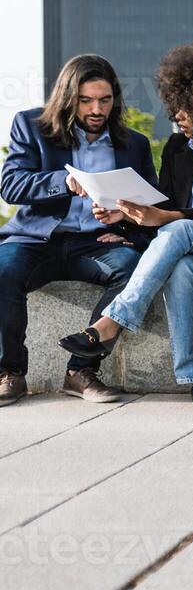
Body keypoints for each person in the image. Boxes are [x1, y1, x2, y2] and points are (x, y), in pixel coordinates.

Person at [56, 45, 193, 408]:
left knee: (179, 229)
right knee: (180, 269)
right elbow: (163, 204)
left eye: (185, 106)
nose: (175, 115)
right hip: (185, 252)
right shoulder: (176, 147)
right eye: (173, 104)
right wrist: (126, 218)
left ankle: (112, 322)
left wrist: (167, 219)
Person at [0, 54, 157, 406]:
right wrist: (65, 182)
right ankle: (9, 372)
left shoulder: (134, 144)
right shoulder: (30, 126)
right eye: (86, 101)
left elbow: (153, 208)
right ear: (68, 98)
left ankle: (80, 371)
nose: (96, 109)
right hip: (37, 239)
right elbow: (10, 185)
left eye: (104, 100)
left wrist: (128, 223)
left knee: (133, 267)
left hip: (97, 244)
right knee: (2, 270)